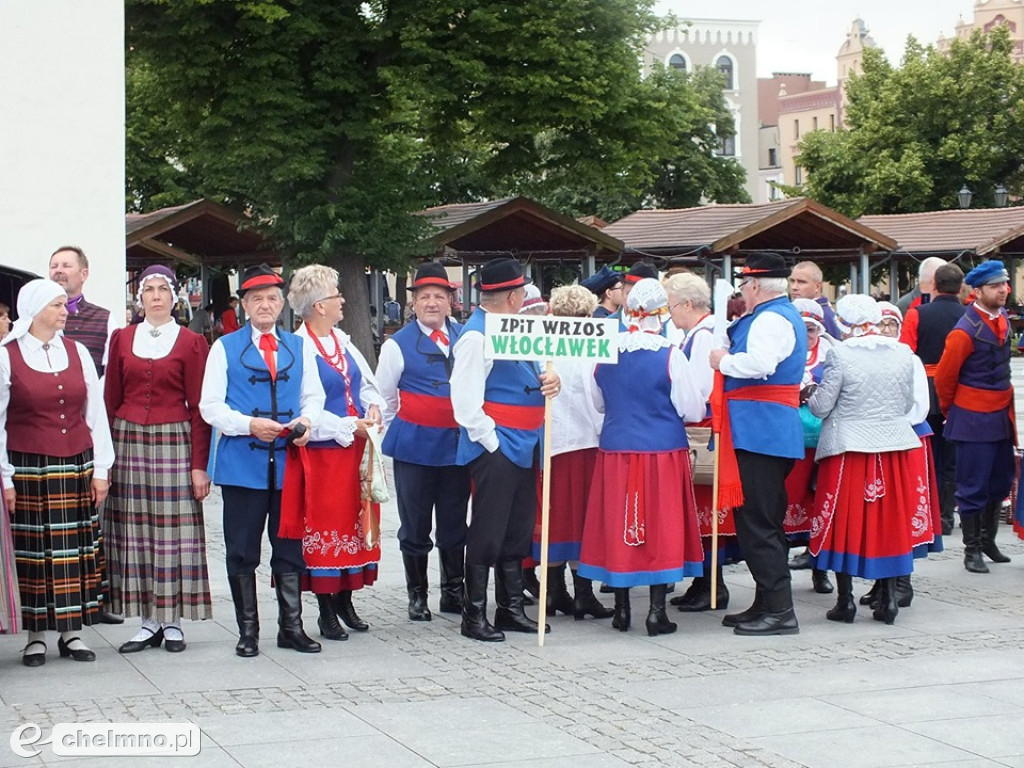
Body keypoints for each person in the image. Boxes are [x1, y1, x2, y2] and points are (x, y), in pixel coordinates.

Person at [199, 263, 325, 657]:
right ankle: (248, 631)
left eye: (272, 298)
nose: (265, 305)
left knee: (289, 548)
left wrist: (306, 421)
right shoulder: (224, 348)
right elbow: (210, 406)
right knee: (242, 549)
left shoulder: (300, 346)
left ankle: (291, 627)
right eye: (257, 299)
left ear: (282, 302)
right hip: (242, 464)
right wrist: (248, 424)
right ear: (245, 305)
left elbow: (313, 397)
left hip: (289, 465)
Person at [578, 278, 705, 636]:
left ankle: (621, 609)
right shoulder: (670, 354)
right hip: (662, 449)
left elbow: (597, 404)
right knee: (660, 526)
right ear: (661, 313)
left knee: (619, 523)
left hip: (617, 448)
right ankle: (655, 611)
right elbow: (692, 408)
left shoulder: (604, 352)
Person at [0, 279, 114, 666]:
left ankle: (73, 632)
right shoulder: (6, 355)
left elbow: (94, 413)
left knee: (72, 552)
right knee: (34, 552)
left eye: (65, 305)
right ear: (35, 310)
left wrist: (101, 468)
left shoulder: (78, 351)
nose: (66, 312)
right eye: (58, 306)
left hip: (75, 461)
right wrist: (5, 477)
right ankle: (35, 636)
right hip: (29, 465)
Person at [103, 265, 213, 654]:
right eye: (147, 289)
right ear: (139, 297)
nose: (154, 296)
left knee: (172, 532)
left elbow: (199, 408)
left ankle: (172, 621)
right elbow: (110, 399)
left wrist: (200, 465)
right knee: (135, 531)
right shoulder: (121, 339)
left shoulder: (191, 343)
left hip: (174, 440)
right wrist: (107, 458)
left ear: (173, 297)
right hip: (128, 438)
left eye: (161, 289)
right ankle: (147, 620)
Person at [450, 258, 560, 642]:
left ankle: (511, 608)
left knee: (517, 529)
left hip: (526, 440)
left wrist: (549, 383)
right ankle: (474, 614)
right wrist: (493, 442)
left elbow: (528, 375)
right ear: (513, 296)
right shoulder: (477, 336)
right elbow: (464, 403)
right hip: (497, 443)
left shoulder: (513, 330)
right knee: (488, 529)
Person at [807, 294, 929, 625]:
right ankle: (888, 597)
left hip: (849, 447)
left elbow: (821, 407)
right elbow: (906, 403)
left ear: (845, 323)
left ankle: (845, 601)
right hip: (893, 447)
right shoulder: (903, 352)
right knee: (890, 520)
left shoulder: (841, 354)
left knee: (843, 520)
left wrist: (810, 393)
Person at [283, 264, 384, 640]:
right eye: (336, 295)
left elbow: (365, 383)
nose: (343, 300)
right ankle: (326, 608)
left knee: (353, 523)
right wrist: (345, 426)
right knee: (326, 527)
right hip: (324, 452)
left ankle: (345, 598)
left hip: (354, 451)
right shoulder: (301, 346)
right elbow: (304, 405)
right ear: (319, 306)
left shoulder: (342, 340)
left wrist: (372, 407)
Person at [709, 253, 807, 636]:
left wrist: (723, 360)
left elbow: (759, 364)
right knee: (760, 520)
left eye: (745, 286)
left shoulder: (770, 318)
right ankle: (768, 600)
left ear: (754, 286)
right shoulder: (777, 315)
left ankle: (781, 609)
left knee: (759, 522)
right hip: (764, 428)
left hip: (761, 430)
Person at [376, 262, 469, 622]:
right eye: (424, 297)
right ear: (413, 303)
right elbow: (384, 399)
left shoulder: (466, 338)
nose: (432, 303)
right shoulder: (397, 345)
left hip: (457, 446)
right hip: (415, 448)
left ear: (450, 301)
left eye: (439, 296)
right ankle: (418, 595)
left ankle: (453, 590)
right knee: (414, 524)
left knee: (454, 522)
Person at [536, 284, 613, 621]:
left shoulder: (541, 347)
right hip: (584, 442)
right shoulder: (591, 348)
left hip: (549, 442)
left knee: (553, 518)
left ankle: (554, 591)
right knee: (581, 521)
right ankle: (582, 593)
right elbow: (599, 398)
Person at [935, 260, 1015, 574]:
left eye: (1005, 285)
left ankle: (987, 540)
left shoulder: (1004, 318)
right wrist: (952, 412)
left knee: (1000, 480)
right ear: (977, 291)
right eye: (996, 286)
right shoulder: (963, 331)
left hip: (1000, 414)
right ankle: (971, 551)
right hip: (972, 416)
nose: (1003, 291)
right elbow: (945, 378)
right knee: (972, 485)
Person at [664, 272, 732, 612]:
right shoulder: (698, 334)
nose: (670, 313)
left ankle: (712, 584)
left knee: (707, 512)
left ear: (688, 304)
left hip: (702, 429)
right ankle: (703, 581)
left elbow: (701, 388)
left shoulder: (703, 337)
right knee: (702, 511)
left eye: (672, 305)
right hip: (701, 426)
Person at [899, 263, 965, 535]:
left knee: (924, 452)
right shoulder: (969, 316)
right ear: (961, 288)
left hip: (924, 389)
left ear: (934, 286)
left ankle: (924, 513)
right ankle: (946, 517)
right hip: (958, 390)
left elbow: (904, 355)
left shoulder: (916, 314)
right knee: (950, 456)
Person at [783, 298, 835, 596]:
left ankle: (820, 569)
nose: (808, 335)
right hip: (791, 439)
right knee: (786, 504)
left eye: (812, 330)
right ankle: (781, 571)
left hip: (820, 443)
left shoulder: (831, 353)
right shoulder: (785, 352)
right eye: (803, 329)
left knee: (819, 505)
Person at [48, 246, 120, 380]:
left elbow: (113, 372)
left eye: (66, 266)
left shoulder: (104, 319)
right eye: (54, 266)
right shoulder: (36, 317)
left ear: (84, 274)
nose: (58, 270)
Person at [788, 261, 842, 339]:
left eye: (801, 282)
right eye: (792, 281)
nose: (794, 287)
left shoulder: (825, 316)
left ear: (817, 286)